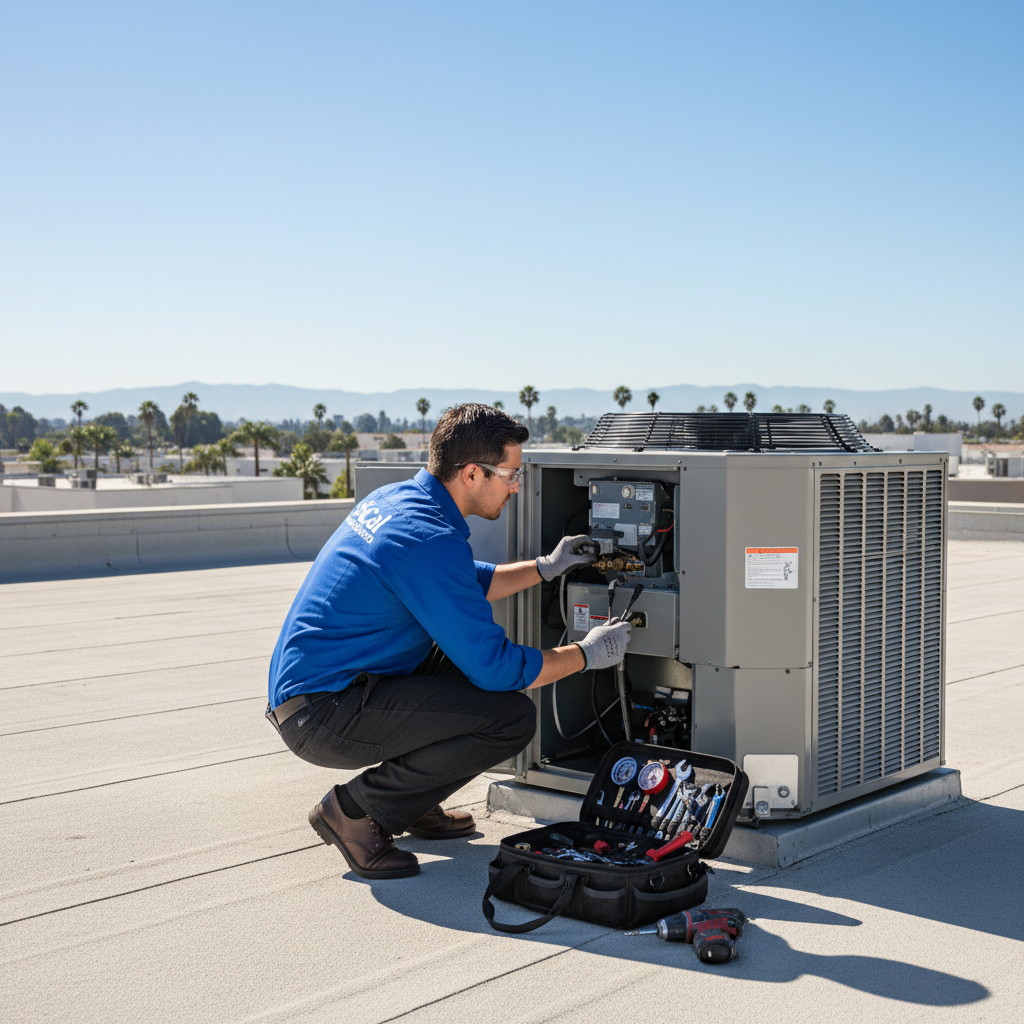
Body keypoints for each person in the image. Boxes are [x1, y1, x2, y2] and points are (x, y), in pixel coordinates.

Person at [266, 403, 631, 879]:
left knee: (461, 664)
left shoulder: (401, 502)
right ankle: (353, 812)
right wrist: (587, 654)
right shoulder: (427, 538)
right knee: (510, 718)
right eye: (510, 475)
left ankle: (411, 802)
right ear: (472, 473)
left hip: (324, 689)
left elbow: (461, 580)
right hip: (323, 714)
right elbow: (497, 668)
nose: (516, 487)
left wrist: (546, 567)